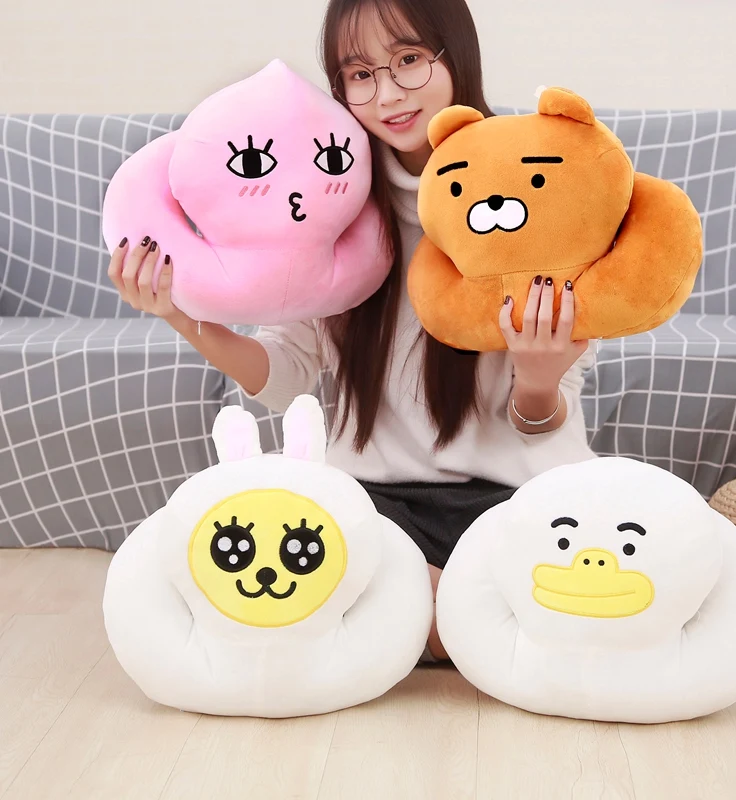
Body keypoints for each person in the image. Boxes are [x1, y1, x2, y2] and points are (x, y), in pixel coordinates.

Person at [107, 0, 598, 662]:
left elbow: (544, 420)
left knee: (559, 581)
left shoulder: (528, 186)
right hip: (378, 508)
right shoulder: (333, 198)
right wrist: (177, 312)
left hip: (514, 500)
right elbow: (285, 376)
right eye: (359, 74)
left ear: (457, 55)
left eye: (408, 60)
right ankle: (464, 622)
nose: (387, 94)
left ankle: (442, 620)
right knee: (286, 571)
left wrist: (537, 381)